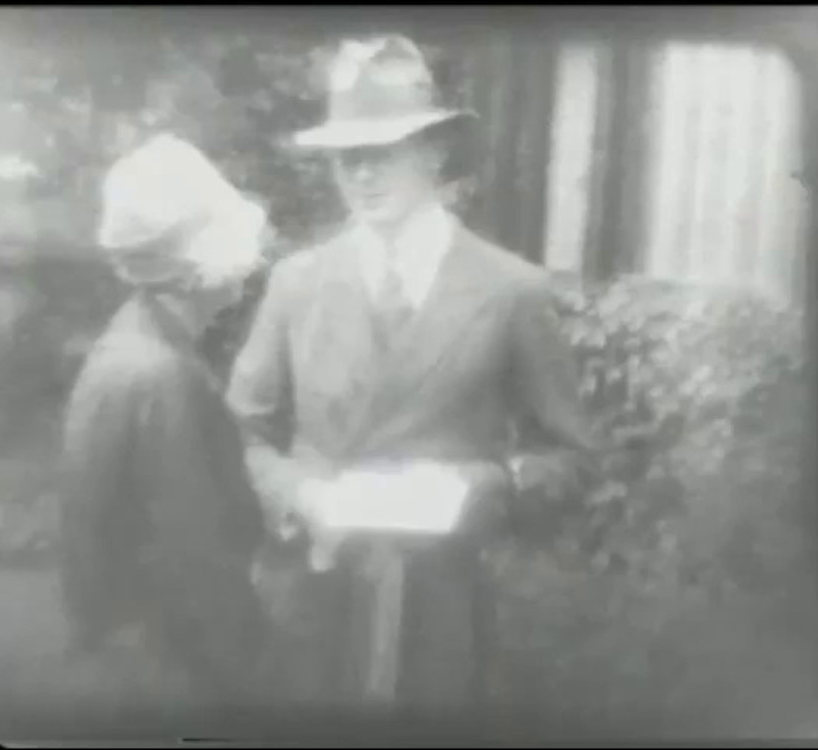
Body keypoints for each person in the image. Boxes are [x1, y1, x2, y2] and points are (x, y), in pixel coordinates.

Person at [226, 35, 600, 715]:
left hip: (440, 611)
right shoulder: (297, 283)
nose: (362, 175)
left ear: (433, 151)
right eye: (347, 157)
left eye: (383, 152)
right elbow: (240, 434)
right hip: (316, 600)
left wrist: (480, 485)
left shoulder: (510, 290)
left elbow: (569, 456)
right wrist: (298, 493)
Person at [58, 131, 271, 706]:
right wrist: (249, 666)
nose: (249, 266)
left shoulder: (130, 341)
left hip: (126, 655)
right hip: (169, 673)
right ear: (197, 267)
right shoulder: (163, 376)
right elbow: (195, 553)